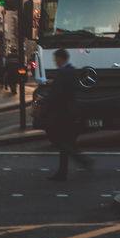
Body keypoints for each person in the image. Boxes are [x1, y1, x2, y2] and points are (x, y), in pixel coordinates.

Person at [42, 47, 92, 182]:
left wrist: (46, 100)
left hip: (63, 113)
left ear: (60, 59)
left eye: (55, 59)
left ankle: (82, 161)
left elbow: (58, 93)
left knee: (61, 141)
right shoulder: (71, 71)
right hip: (69, 111)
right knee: (64, 142)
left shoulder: (64, 73)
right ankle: (62, 172)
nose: (54, 61)